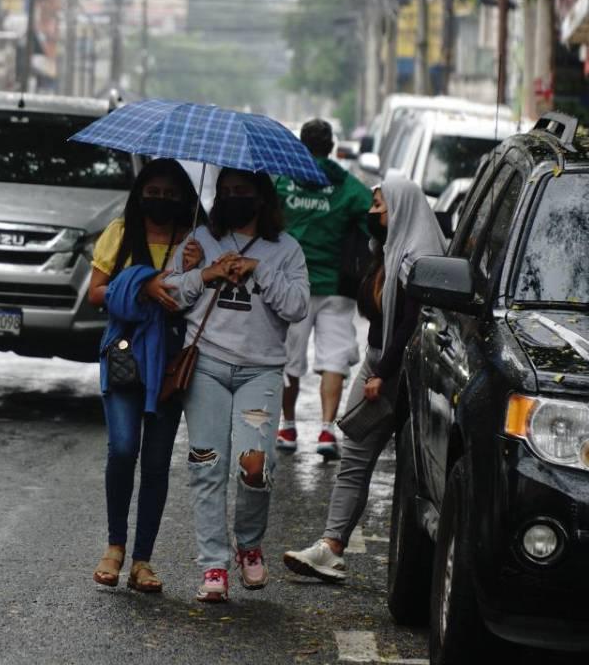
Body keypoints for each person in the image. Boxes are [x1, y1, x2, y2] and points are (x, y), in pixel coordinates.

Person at [282, 176, 444, 582]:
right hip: (377, 362)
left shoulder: (418, 260)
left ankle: (401, 563)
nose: (372, 214)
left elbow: (409, 325)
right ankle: (331, 547)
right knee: (355, 454)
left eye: (378, 207)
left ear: (400, 209)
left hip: (398, 371)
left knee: (407, 465)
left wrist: (383, 374)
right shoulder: (388, 251)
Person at [163, 168, 309, 602]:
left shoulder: (286, 249)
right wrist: (203, 273)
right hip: (206, 366)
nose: (231, 198)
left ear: (261, 198)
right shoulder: (200, 241)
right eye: (224, 191)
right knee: (206, 464)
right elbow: (169, 292)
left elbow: (298, 306)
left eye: (241, 191)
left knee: (255, 465)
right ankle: (213, 564)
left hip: (260, 372)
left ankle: (249, 544)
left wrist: (258, 270)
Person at [89, 158, 202, 593]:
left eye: (171, 194)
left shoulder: (194, 240)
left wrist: (195, 267)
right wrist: (142, 285)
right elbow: (94, 292)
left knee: (156, 462)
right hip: (124, 356)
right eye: (153, 192)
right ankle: (114, 547)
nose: (161, 200)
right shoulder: (120, 233)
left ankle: (142, 561)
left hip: (170, 363)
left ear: (184, 199)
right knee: (122, 449)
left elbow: (203, 297)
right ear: (139, 195)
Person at [276, 119, 374, 460]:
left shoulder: (283, 181)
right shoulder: (348, 186)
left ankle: (287, 427)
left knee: (288, 358)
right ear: (331, 147)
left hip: (291, 285)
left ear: (301, 146)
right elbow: (374, 219)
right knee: (334, 358)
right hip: (337, 286)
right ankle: (326, 431)